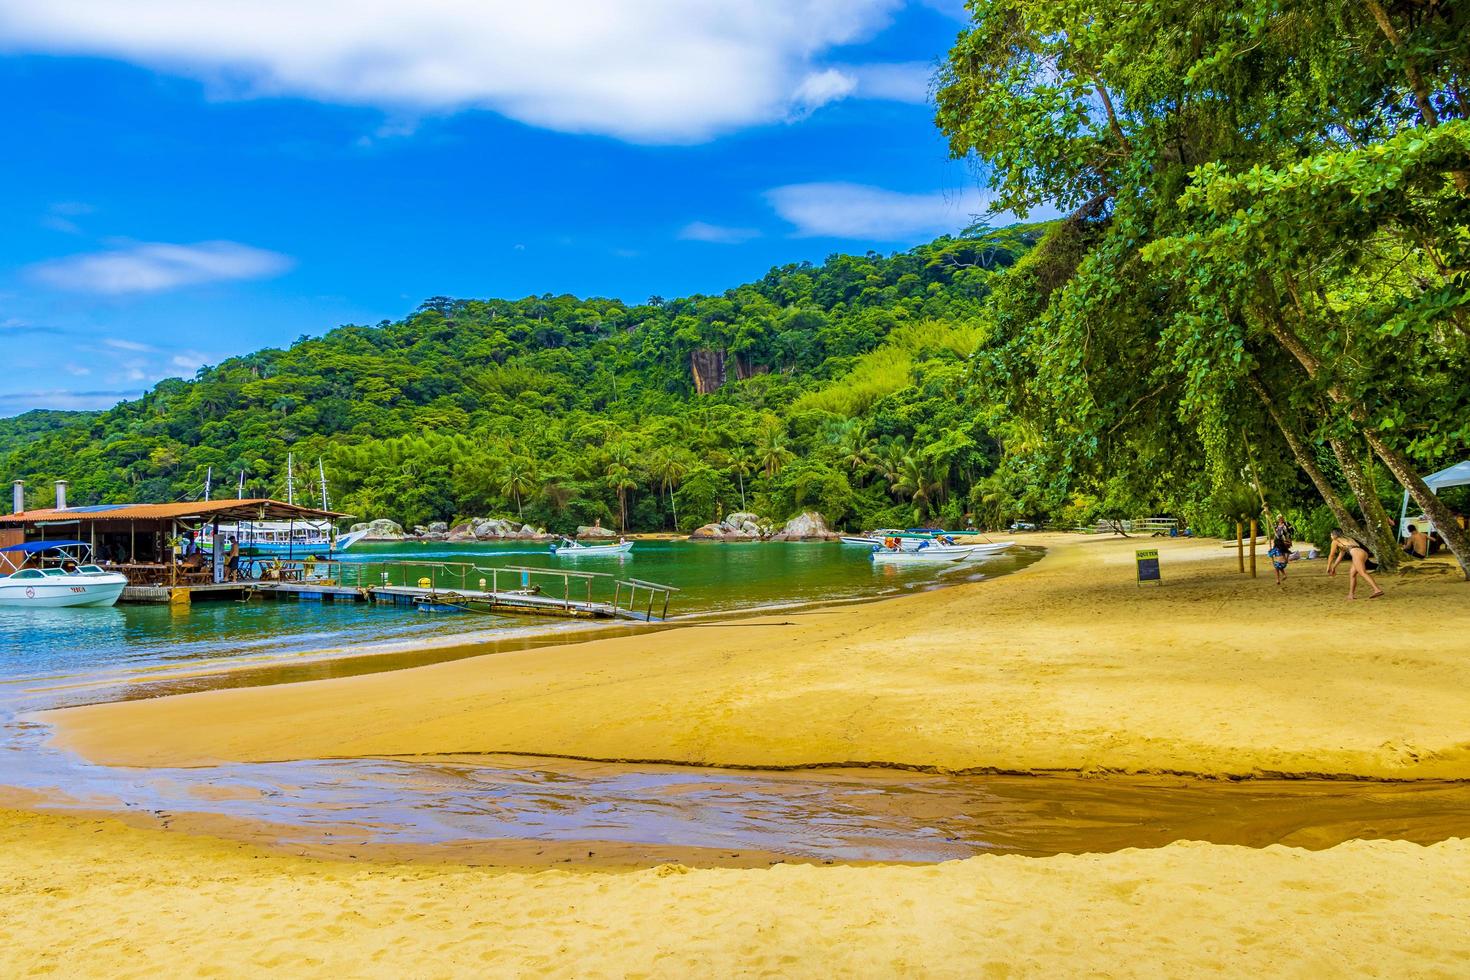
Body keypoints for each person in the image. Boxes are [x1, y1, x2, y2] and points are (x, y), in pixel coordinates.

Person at [1327, 529, 1384, 599]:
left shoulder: (1335, 541)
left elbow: (1331, 555)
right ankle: (1351, 595)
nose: (1330, 536)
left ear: (1334, 535)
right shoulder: (1347, 539)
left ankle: (1377, 589)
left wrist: (1328, 567)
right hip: (1363, 553)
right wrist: (1334, 567)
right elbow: (1340, 556)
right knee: (1352, 574)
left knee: (1362, 572)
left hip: (1356, 554)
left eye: (1331, 535)